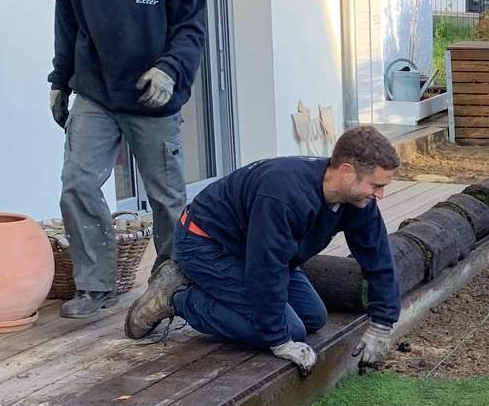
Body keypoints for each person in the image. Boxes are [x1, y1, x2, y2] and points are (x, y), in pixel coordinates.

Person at [49, 0, 208, 322]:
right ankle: (98, 285)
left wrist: (169, 69)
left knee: (167, 198)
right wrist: (61, 79)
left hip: (151, 96)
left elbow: (192, 26)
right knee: (76, 183)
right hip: (96, 92)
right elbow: (68, 21)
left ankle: (172, 280)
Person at [123, 125, 402, 375]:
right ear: (346, 171)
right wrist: (279, 341)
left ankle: (207, 290)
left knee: (313, 317)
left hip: (252, 250)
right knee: (288, 330)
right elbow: (265, 270)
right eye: (376, 185)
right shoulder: (284, 194)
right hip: (205, 244)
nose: (380, 194)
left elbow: (378, 257)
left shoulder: (358, 203)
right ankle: (177, 298)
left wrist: (382, 323)